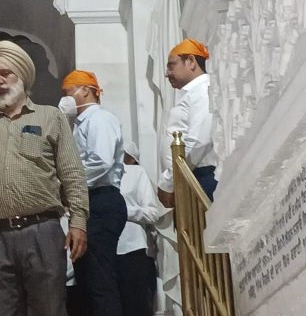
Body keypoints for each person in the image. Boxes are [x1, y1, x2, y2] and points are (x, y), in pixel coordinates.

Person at [0, 40, 89, 316]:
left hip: (41, 231)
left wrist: (78, 221)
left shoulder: (50, 117)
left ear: (22, 75)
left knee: (49, 310)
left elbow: (72, 173)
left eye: (5, 73)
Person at [59, 70, 126, 316]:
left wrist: (67, 184)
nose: (64, 99)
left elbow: (101, 160)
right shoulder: (79, 124)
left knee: (100, 280)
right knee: (87, 280)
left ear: (86, 90)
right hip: (89, 202)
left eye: (67, 93)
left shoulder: (99, 119)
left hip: (102, 200)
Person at [158, 38, 218, 206]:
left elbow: (199, 140)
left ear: (190, 62)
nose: (166, 73)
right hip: (190, 176)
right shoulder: (192, 92)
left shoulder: (202, 90)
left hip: (201, 176)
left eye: (171, 65)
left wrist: (169, 181)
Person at [117, 141, 159, 316]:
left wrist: (122, 211)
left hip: (132, 247)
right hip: (102, 247)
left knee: (137, 304)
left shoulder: (137, 173)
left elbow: (152, 213)